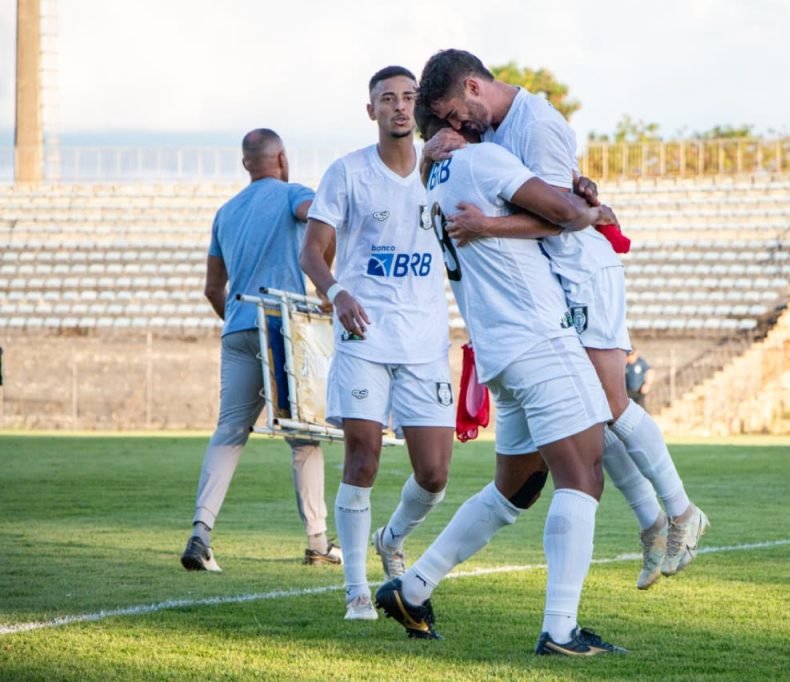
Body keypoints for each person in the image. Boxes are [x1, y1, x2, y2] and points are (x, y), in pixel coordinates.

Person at [416, 49, 707, 592]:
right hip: (553, 283)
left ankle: (681, 511)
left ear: (473, 87)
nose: (456, 127)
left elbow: (565, 219)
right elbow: (561, 192)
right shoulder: (491, 131)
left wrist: (489, 226)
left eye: (454, 114)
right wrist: (429, 155)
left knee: (612, 406)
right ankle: (651, 522)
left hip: (581, 272)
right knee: (593, 415)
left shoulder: (535, 124)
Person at [376, 108, 624, 655]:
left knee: (516, 490)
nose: (486, 120)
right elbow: (566, 214)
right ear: (455, 114)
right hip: (537, 338)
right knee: (583, 475)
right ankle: (560, 630)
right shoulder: (484, 158)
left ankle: (412, 589)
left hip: (500, 350)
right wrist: (591, 204)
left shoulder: (436, 175)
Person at [300, 66, 455, 621]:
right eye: (387, 99)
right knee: (362, 458)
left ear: (419, 105)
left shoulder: (443, 170)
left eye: (408, 97)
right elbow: (312, 252)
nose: (399, 106)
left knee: (434, 475)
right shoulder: (348, 173)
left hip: (425, 341)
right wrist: (337, 292)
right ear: (371, 111)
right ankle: (356, 591)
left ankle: (391, 537)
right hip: (364, 336)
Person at [180, 129, 339, 572]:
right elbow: (321, 217)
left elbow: (213, 288)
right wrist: (326, 278)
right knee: (305, 438)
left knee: (229, 431)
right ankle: (318, 542)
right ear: (282, 158)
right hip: (281, 325)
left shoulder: (226, 212)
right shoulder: (293, 194)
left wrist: (237, 319)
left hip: (238, 327)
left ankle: (201, 532)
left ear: (246, 164)